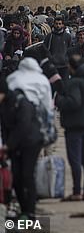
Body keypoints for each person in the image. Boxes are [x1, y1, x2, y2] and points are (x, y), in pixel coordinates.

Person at [55, 54, 84, 202]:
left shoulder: (74, 82)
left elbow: (73, 102)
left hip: (75, 124)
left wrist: (59, 100)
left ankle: (76, 191)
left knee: (75, 158)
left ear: (71, 66)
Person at [0, 75, 43, 220]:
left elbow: (23, 127)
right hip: (15, 144)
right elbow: (5, 128)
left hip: (31, 142)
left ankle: (30, 212)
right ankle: (23, 209)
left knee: (27, 175)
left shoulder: (21, 102)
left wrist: (8, 144)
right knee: (16, 177)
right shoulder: (3, 105)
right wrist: (7, 147)